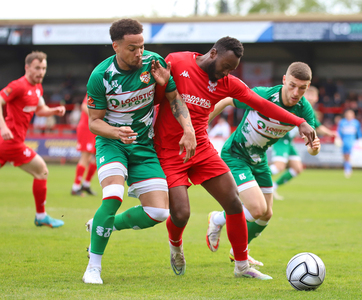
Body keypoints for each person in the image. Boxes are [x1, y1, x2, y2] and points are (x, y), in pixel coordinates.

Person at [113, 38, 316, 279]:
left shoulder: (228, 83)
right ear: (212, 54)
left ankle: (241, 266)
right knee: (181, 214)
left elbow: (262, 104)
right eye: (225, 66)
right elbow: (155, 97)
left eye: (232, 69)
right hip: (169, 151)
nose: (226, 73)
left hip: (202, 149)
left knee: (232, 202)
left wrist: (300, 122)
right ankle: (175, 245)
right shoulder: (177, 62)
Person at [82, 19, 196, 285]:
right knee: (113, 196)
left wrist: (188, 129)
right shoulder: (101, 76)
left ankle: (103, 224)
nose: (139, 53)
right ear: (116, 46)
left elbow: (174, 98)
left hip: (144, 147)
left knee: (158, 213)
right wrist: (116, 132)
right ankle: (93, 266)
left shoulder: (153, 63)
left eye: (142, 46)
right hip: (113, 144)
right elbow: (94, 122)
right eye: (132, 48)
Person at [205, 62, 321, 276]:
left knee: (266, 215)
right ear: (284, 80)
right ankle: (217, 220)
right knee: (257, 209)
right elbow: (227, 100)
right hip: (236, 154)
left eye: (302, 88)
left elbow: (312, 147)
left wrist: (314, 148)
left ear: (308, 86)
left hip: (258, 160)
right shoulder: (263, 95)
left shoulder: (304, 108)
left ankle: (237, 250)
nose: (296, 93)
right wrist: (202, 124)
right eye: (293, 85)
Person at [0, 51, 66, 228]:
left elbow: (39, 109)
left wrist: (53, 111)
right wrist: (3, 127)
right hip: (11, 142)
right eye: (37, 68)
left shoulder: (38, 87)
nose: (41, 72)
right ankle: (41, 216)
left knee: (41, 171)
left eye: (44, 68)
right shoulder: (19, 85)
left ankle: (41, 216)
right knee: (42, 170)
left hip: (8, 143)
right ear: (27, 67)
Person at [269, 85, 337, 200]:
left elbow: (317, 127)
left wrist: (330, 133)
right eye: (308, 95)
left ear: (316, 98)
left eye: (312, 95)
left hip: (289, 142)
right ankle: (255, 179)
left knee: (297, 168)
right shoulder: (298, 105)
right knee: (279, 167)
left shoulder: (310, 111)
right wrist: (331, 133)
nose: (310, 97)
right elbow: (318, 129)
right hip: (281, 139)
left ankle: (273, 187)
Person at [71, 94, 97, 196]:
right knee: (85, 157)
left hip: (96, 129)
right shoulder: (95, 87)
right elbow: (84, 106)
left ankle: (86, 184)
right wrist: (95, 116)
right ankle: (75, 187)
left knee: (97, 157)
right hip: (87, 129)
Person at [337, 109, 362, 178]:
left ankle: (348, 169)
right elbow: (339, 132)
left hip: (352, 142)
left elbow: (359, 132)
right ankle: (347, 169)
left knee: (350, 156)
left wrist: (360, 140)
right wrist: (338, 138)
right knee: (345, 156)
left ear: (353, 115)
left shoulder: (356, 123)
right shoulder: (342, 122)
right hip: (344, 142)